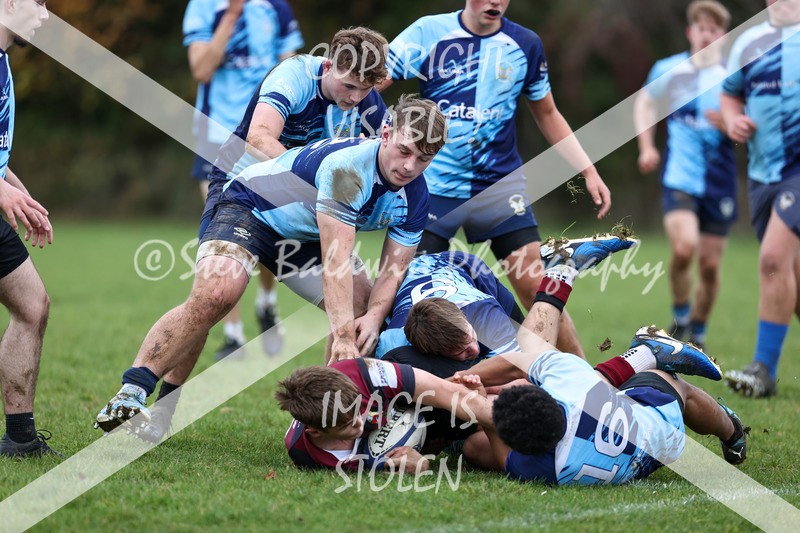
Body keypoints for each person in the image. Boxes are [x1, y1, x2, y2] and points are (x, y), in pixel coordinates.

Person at [94, 95, 447, 434]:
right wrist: (341, 337)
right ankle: (135, 391)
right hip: (253, 208)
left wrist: (371, 317)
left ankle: (323, 420)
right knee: (218, 293)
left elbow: (393, 270)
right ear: (385, 134)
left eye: (423, 159)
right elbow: (336, 261)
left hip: (305, 233)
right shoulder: (349, 170)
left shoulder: (416, 197)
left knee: (360, 311)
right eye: (404, 151)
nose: (409, 167)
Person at [274, 239, 732, 474]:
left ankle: (571, 281)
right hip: (438, 306)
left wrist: (480, 394)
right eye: (351, 424)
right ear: (316, 431)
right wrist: (395, 459)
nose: (362, 421)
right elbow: (364, 462)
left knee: (526, 369)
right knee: (522, 381)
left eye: (360, 410)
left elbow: (454, 393)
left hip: (462, 283)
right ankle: (638, 356)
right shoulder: (309, 451)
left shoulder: (379, 367)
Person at [381, 0, 612, 358]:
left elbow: (548, 112)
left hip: (498, 188)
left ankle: (584, 384)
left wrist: (588, 169)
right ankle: (397, 389)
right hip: (432, 188)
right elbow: (371, 84)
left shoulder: (525, 44)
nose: (495, 2)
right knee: (408, 293)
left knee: (537, 286)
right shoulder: (429, 32)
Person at [443, 252, 748, 484]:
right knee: (680, 389)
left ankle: (569, 271)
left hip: (637, 451)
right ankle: (730, 430)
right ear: (551, 399)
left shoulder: (544, 467)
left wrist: (466, 391)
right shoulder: (569, 388)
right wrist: (472, 380)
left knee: (472, 447)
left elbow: (498, 443)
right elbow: (520, 362)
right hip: (656, 434)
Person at [183, 0, 304, 360]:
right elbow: (201, 69)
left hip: (264, 132)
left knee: (268, 227)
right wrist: (232, 14)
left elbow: (291, 70)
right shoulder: (204, 7)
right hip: (216, 137)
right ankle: (233, 335)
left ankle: (266, 301)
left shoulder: (276, 7)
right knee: (221, 233)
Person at [376, 234, 637, 374]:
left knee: (534, 354)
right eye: (462, 351)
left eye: (469, 338)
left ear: (467, 322)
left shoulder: (483, 313)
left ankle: (561, 269)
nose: (474, 348)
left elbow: (521, 369)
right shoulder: (393, 343)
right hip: (417, 277)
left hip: (467, 270)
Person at [634, 0, 736, 349]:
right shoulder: (670, 69)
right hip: (679, 176)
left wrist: (733, 123)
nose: (706, 35)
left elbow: (751, 121)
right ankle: (680, 318)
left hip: (719, 181)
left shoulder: (733, 74)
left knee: (708, 265)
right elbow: (645, 102)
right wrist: (647, 146)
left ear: (723, 36)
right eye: (701, 28)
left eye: (714, 29)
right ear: (690, 32)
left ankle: (700, 332)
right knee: (683, 248)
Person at [720, 0, 800, 398]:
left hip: (797, 174)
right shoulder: (748, 43)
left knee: (771, 259)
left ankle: (763, 370)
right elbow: (730, 95)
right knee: (791, 276)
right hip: (761, 175)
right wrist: (734, 118)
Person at [0, 0, 60, 457]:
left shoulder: (2, 62)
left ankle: (20, 437)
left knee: (32, 304)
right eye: (37, 3)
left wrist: (19, 191)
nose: (43, 16)